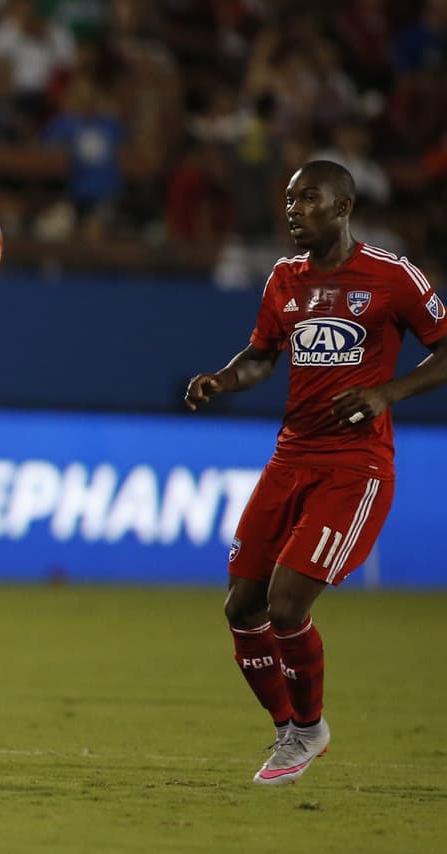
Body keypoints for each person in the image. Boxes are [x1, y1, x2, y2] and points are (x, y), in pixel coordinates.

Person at [184, 160, 447, 785]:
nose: (294, 209)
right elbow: (261, 356)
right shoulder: (284, 278)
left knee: (284, 602)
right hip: (290, 457)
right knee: (241, 606)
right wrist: (223, 379)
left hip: (355, 469)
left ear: (344, 206)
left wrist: (389, 392)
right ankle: (291, 731)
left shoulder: (392, 277)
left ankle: (308, 728)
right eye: (289, 199)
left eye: (308, 199)